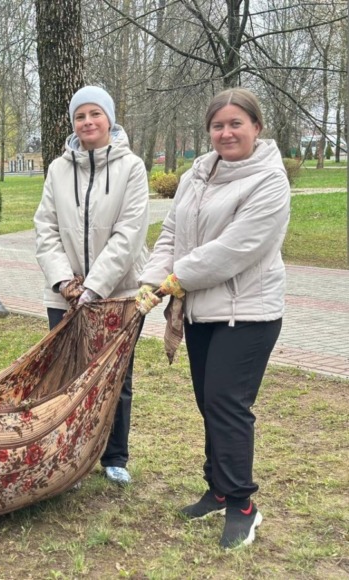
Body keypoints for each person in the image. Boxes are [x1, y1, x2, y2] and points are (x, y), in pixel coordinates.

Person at [136, 88, 290, 549]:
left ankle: (243, 504)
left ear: (256, 127)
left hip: (248, 313)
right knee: (209, 402)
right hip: (201, 309)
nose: (226, 133)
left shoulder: (269, 181)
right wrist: (151, 279)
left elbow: (236, 249)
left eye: (236, 123)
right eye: (218, 125)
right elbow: (171, 233)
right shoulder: (197, 175)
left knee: (227, 403)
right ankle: (218, 490)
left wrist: (176, 279)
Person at [34, 86, 150, 486]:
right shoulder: (58, 169)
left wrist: (94, 287)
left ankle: (114, 455)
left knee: (116, 376)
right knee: (68, 375)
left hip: (118, 293)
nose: (88, 122)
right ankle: (73, 454)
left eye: (95, 114)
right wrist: (64, 281)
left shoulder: (131, 168)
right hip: (64, 295)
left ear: (109, 118)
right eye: (80, 116)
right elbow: (45, 228)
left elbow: (129, 233)